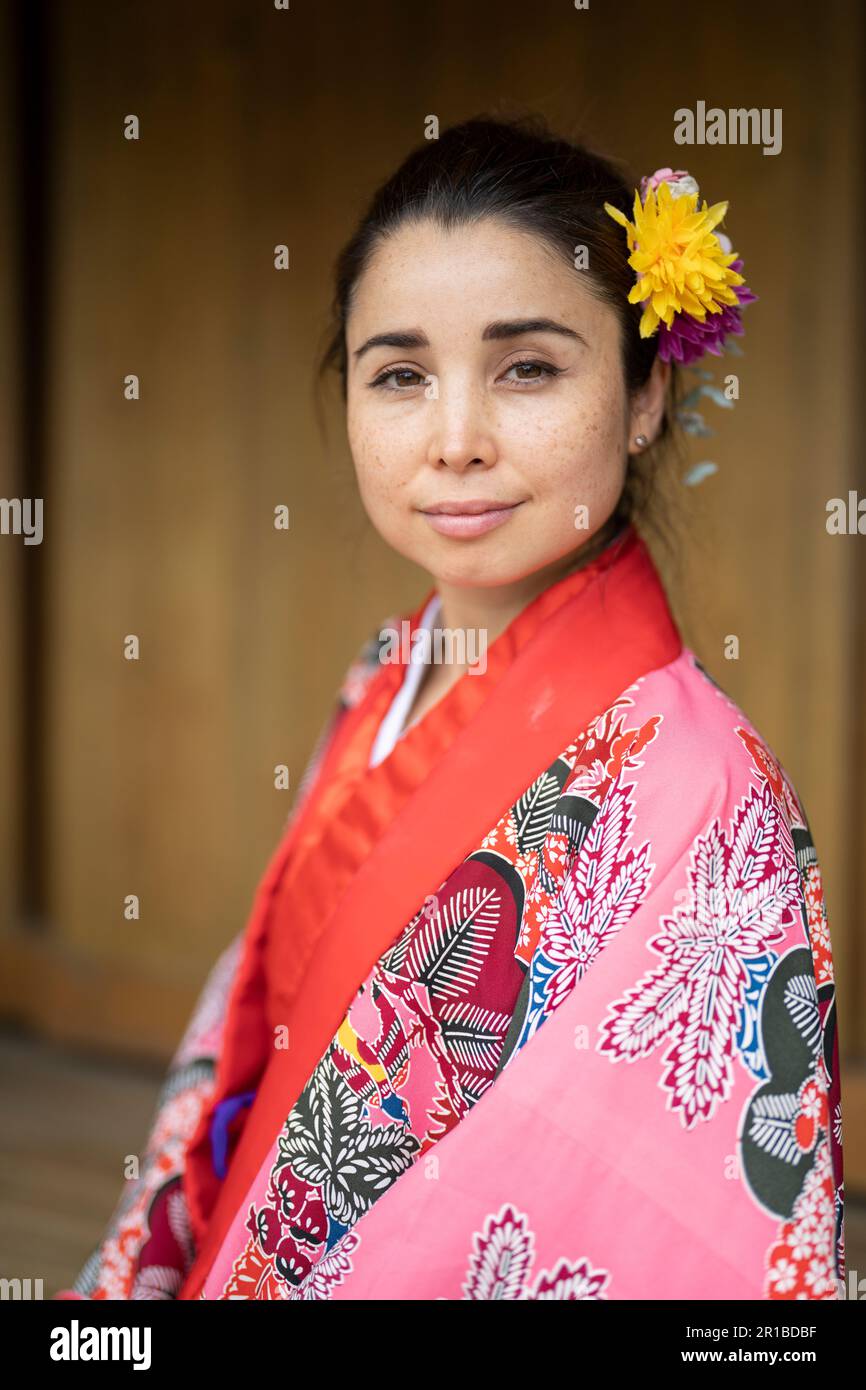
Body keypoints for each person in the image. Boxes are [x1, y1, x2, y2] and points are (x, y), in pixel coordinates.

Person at [56, 114, 844, 1301]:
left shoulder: (706, 791)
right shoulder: (387, 668)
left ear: (642, 395)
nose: (456, 440)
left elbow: (672, 1211)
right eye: (400, 375)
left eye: (527, 367)